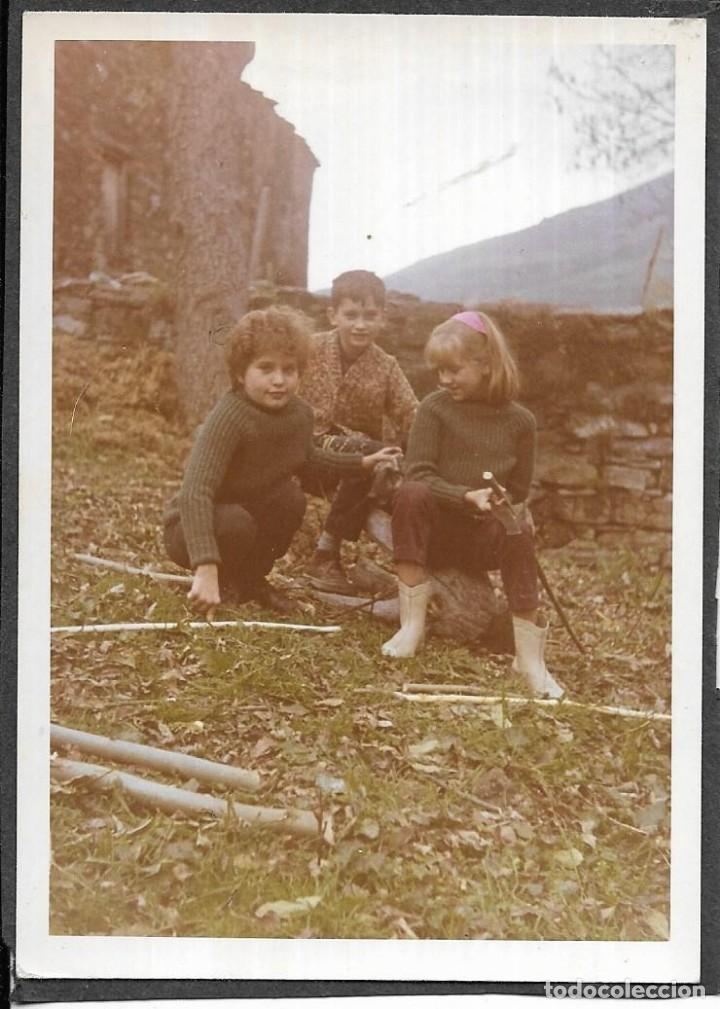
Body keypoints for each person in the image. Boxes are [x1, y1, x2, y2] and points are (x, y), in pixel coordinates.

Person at [381, 310, 563, 698]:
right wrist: (465, 496)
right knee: (410, 494)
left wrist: (500, 501)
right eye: (439, 371)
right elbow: (419, 475)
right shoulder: (435, 408)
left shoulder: (521, 422)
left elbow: (518, 489)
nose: (444, 380)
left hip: (482, 539)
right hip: (436, 534)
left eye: (453, 370)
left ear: (485, 364)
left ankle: (529, 660)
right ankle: (411, 626)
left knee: (518, 525)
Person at [163, 306, 390, 616]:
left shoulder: (299, 414)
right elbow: (195, 493)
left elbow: (308, 458)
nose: (279, 380)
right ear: (241, 374)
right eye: (266, 369)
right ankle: (222, 581)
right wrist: (205, 566)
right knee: (236, 523)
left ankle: (252, 580)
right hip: (193, 527)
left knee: (290, 500)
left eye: (289, 369)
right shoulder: (230, 416)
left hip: (245, 515)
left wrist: (362, 463)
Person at [300, 270, 418, 594]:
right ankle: (324, 556)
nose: (360, 325)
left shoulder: (386, 367)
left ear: (382, 318)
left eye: (370, 316)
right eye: (351, 315)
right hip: (305, 449)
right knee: (371, 453)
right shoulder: (309, 349)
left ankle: (329, 550)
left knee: (378, 455)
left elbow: (411, 414)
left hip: (355, 468)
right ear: (332, 315)